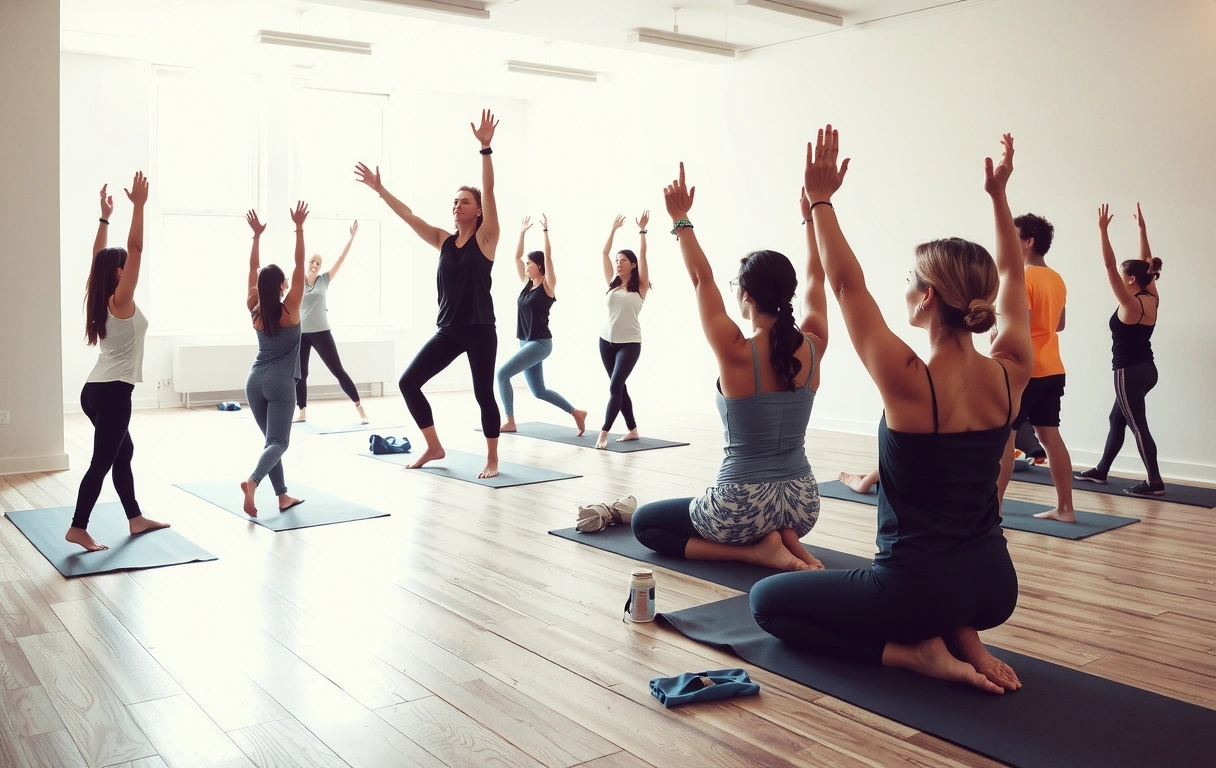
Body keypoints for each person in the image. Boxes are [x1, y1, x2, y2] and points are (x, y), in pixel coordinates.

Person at [750, 128, 1033, 695]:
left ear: (928, 297)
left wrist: (821, 202)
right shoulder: (1010, 371)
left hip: (914, 590)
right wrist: (1000, 200)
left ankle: (914, 654)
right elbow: (1013, 277)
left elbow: (846, 287)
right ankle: (962, 634)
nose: (903, 289)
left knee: (767, 604)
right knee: (941, 576)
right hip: (994, 586)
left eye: (910, 280)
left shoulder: (911, 383)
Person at [632, 175, 828, 571]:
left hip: (741, 504)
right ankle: (785, 536)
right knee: (772, 511)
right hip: (803, 502)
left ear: (747, 297)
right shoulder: (814, 343)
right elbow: (817, 278)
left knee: (645, 524)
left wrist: (681, 219)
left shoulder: (736, 350)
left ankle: (756, 551)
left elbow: (701, 279)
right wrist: (810, 221)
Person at [355, 110, 502, 478]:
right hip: (449, 329)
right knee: (408, 383)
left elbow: (492, 190)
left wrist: (486, 148)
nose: (457, 206)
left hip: (481, 328)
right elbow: (407, 215)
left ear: (479, 210)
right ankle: (434, 446)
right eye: (455, 202)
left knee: (484, 393)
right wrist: (379, 189)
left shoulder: (487, 238)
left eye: (465, 201)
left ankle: (493, 457)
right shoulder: (443, 240)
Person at [66, 175, 171, 552]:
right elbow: (137, 246)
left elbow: (100, 260)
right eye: (126, 266)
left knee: (122, 453)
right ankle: (78, 527)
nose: (131, 267)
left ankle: (135, 517)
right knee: (102, 462)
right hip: (113, 393)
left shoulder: (100, 296)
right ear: (119, 273)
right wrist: (140, 205)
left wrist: (104, 218)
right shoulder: (120, 300)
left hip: (94, 391)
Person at [1074, 203, 1164, 495]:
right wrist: (1142, 229)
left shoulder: (1129, 303)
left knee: (1138, 425)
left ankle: (1154, 482)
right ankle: (1101, 470)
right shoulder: (1151, 296)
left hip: (1128, 372)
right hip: (1148, 370)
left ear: (1130, 279)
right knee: (1118, 418)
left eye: (1126, 274)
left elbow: (1110, 266)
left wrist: (1102, 231)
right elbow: (1147, 264)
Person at [995, 213, 1076, 522]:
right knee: (1049, 436)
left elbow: (1021, 328)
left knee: (1007, 437)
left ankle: (996, 509)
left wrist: (998, 333)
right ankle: (1065, 509)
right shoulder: (1056, 278)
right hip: (1053, 367)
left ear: (1027, 241)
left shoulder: (1023, 277)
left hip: (1027, 369)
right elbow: (1061, 324)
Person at [240, 205, 308, 517]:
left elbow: (253, 269)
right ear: (281, 286)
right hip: (281, 382)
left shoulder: (254, 306)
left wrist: (255, 237)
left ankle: (282, 496)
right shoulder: (290, 307)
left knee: (271, 441)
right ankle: (253, 481)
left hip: (254, 382)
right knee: (279, 442)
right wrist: (298, 228)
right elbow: (299, 266)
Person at [497, 215, 588, 435]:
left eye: (530, 264)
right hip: (525, 341)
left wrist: (546, 231)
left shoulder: (547, 286)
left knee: (502, 374)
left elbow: (548, 256)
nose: (526, 266)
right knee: (538, 391)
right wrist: (521, 232)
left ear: (539, 266)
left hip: (540, 343)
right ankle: (576, 412)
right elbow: (516, 256)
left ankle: (510, 420)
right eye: (526, 264)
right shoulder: (526, 284)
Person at [293, 220, 368, 425]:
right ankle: (302, 411)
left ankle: (359, 407)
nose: (315, 265)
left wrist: (351, 237)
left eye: (318, 263)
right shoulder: (297, 280)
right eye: (312, 262)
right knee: (301, 373)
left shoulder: (324, 279)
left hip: (321, 332)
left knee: (337, 370)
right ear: (307, 264)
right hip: (301, 333)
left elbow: (341, 258)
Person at [596, 212, 651, 450]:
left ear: (633, 265)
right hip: (606, 341)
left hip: (629, 344)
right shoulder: (611, 282)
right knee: (619, 386)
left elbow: (643, 254)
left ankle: (604, 432)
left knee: (614, 386)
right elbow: (603, 253)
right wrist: (613, 229)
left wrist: (642, 231)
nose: (618, 263)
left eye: (623, 261)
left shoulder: (640, 287)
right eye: (617, 260)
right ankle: (632, 429)